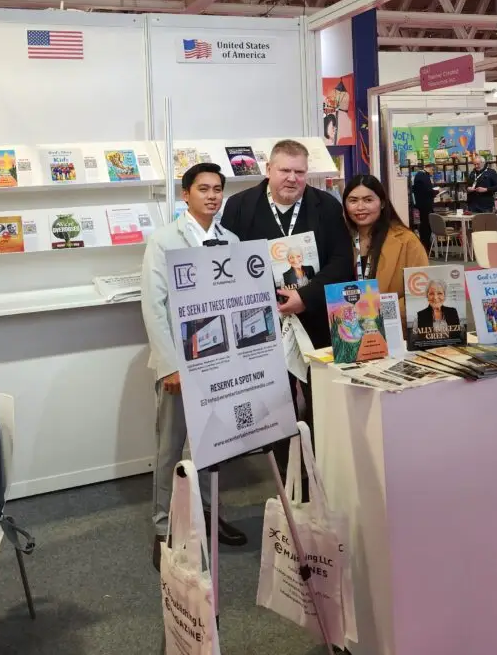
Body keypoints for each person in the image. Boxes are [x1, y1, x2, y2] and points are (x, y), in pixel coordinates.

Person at [221, 139, 354, 477]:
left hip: (316, 319)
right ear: (268, 170)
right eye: (285, 170)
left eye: (300, 172)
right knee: (273, 400)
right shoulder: (239, 206)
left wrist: (305, 297)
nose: (292, 178)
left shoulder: (326, 205)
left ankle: (324, 470)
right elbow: (228, 265)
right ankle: (286, 474)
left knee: (321, 396)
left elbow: (341, 263)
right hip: (263, 320)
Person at [141, 163, 247, 568]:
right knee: (170, 447)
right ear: (186, 194)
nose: (212, 196)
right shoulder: (165, 240)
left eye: (218, 189)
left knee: (212, 444)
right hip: (180, 363)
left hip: (218, 361)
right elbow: (153, 304)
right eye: (203, 189)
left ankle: (208, 516)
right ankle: (164, 527)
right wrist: (169, 365)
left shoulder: (231, 240)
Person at [342, 173, 428, 325]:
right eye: (353, 201)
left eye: (368, 200)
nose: (360, 207)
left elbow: (422, 293)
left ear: (382, 203)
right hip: (349, 329)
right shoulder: (339, 239)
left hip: (393, 330)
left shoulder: (406, 241)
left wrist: (379, 312)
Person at [412, 279, 464, 348]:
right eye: (431, 293)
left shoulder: (453, 312)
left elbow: (461, 338)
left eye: (439, 293)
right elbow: (415, 342)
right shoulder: (419, 316)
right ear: (427, 296)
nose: (435, 298)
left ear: (444, 295)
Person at [412, 164, 438, 252]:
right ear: (430, 168)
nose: (432, 173)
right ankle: (426, 247)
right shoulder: (422, 176)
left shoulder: (420, 175)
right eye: (433, 171)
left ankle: (427, 247)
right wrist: (437, 191)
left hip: (422, 204)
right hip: (425, 205)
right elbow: (428, 191)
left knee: (426, 226)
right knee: (426, 227)